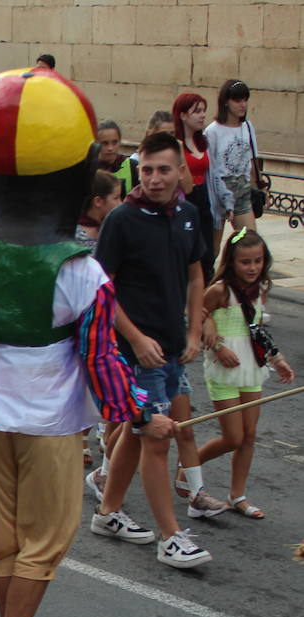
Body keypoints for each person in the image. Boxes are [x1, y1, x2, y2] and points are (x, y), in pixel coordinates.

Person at [0, 69, 173, 617]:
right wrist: (144, 413)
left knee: (8, 544)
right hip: (48, 424)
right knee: (43, 546)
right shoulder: (80, 270)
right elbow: (102, 360)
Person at [92, 130, 220, 569]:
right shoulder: (121, 221)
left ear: (180, 171)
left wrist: (192, 328)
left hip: (170, 348)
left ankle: (107, 512)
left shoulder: (187, 214)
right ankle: (171, 536)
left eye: (164, 169)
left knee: (137, 427)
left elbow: (196, 273)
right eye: (146, 170)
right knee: (157, 436)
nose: (154, 178)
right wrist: (135, 338)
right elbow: (101, 290)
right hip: (136, 352)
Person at [195, 229, 294, 518]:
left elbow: (256, 328)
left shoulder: (261, 289)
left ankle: (238, 495)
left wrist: (277, 359)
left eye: (258, 261)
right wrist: (217, 346)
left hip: (252, 368)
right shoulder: (220, 290)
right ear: (231, 262)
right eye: (245, 262)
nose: (252, 268)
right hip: (224, 370)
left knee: (249, 435)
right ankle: (189, 465)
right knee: (233, 437)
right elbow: (196, 316)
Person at [205, 80, 261, 256]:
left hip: (242, 191)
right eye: (238, 100)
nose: (243, 105)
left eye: (245, 100)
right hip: (220, 191)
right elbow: (210, 166)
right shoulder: (212, 131)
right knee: (213, 249)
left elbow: (252, 161)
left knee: (250, 242)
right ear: (226, 102)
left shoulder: (247, 127)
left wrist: (256, 187)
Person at [173, 92, 215, 280]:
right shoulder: (176, 144)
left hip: (204, 198)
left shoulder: (203, 141)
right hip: (186, 199)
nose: (202, 115)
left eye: (203, 110)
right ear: (182, 115)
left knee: (208, 254)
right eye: (196, 111)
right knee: (189, 253)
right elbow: (185, 185)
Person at [76, 170, 123, 250]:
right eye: (116, 198)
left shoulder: (114, 227)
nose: (121, 203)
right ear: (98, 201)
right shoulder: (77, 236)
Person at [95, 119, 135, 194]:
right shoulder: (88, 168)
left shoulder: (132, 166)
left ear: (120, 142)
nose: (110, 148)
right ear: (96, 144)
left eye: (115, 142)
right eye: (105, 143)